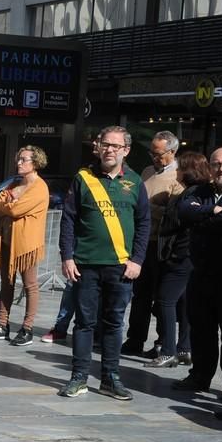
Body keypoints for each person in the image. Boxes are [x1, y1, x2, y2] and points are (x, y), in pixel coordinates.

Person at [58, 126, 150, 400]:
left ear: (126, 150)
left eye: (115, 146)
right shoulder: (83, 178)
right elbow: (69, 219)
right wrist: (67, 255)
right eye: (105, 144)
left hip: (121, 267)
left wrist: (138, 260)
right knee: (84, 323)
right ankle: (79, 377)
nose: (109, 150)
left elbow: (144, 223)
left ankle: (111, 378)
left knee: (113, 323)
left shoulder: (134, 182)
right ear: (98, 147)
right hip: (86, 264)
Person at [121, 131, 183, 358]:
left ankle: (162, 343)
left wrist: (148, 209)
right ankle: (134, 339)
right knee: (140, 295)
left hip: (163, 244)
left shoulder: (179, 176)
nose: (154, 158)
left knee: (162, 299)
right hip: (142, 243)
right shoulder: (146, 172)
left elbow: (175, 212)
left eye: (158, 154)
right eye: (152, 153)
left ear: (172, 152)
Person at [147, 152, 210, 367]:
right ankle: (184, 349)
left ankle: (168, 351)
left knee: (165, 300)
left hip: (181, 255)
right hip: (187, 255)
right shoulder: (199, 193)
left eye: (180, 168)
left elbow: (176, 221)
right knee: (183, 303)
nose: (177, 172)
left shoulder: (190, 194)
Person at [173, 147, 222, 395]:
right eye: (216, 164)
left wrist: (202, 218)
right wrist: (211, 212)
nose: (221, 169)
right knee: (201, 328)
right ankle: (199, 376)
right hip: (201, 272)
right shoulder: (198, 191)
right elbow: (183, 212)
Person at [0, 145, 50, 346]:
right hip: (6, 240)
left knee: (30, 285)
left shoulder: (39, 187)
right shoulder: (15, 184)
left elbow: (15, 210)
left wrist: (8, 206)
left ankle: (27, 328)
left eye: (24, 160)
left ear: (36, 163)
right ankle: (2, 325)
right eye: (19, 159)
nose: (19, 163)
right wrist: (7, 204)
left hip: (26, 244)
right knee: (7, 283)